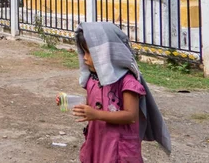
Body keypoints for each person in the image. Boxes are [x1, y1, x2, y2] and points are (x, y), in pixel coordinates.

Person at [60, 22, 171, 163]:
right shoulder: (93, 80)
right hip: (98, 142)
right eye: (84, 52)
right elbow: (92, 104)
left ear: (107, 54)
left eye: (90, 52)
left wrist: (96, 114)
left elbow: (131, 115)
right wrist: (68, 101)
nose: (85, 58)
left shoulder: (127, 83)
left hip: (118, 149)